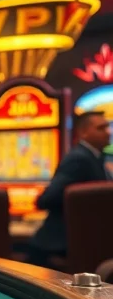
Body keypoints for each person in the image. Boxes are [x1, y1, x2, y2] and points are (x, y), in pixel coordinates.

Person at [28, 111, 111, 267]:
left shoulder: (95, 157)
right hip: (57, 246)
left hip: (81, 243)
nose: (108, 132)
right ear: (84, 132)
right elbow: (47, 199)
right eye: (101, 128)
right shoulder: (79, 158)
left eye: (108, 127)